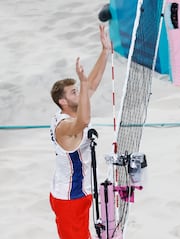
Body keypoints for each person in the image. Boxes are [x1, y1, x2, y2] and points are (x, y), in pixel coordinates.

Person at [49, 25, 111, 239]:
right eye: (75, 91)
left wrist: (105, 52)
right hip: (69, 200)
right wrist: (83, 83)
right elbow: (84, 121)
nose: (81, 92)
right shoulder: (65, 127)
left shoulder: (74, 110)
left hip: (79, 193)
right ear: (63, 102)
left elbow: (91, 86)